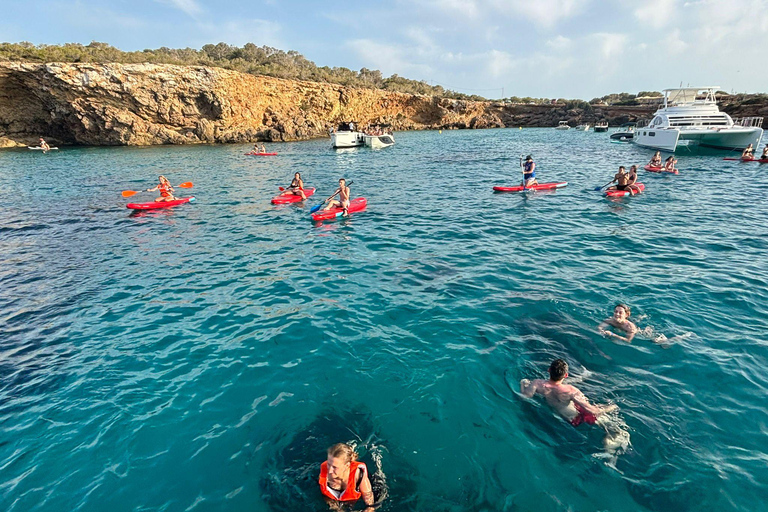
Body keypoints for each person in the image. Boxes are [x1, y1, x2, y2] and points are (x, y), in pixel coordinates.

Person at [520, 359, 618, 427]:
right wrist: (610, 407)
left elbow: (525, 397)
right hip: (580, 416)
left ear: (549, 370)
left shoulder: (537, 383)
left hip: (568, 419)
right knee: (616, 430)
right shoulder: (571, 390)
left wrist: (523, 384)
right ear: (566, 375)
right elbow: (592, 411)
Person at [319, 443, 375, 507]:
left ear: (347, 466)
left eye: (335, 467)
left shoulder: (358, 476)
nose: (330, 470)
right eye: (328, 464)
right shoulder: (324, 473)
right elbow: (327, 497)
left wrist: (369, 509)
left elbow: (368, 497)